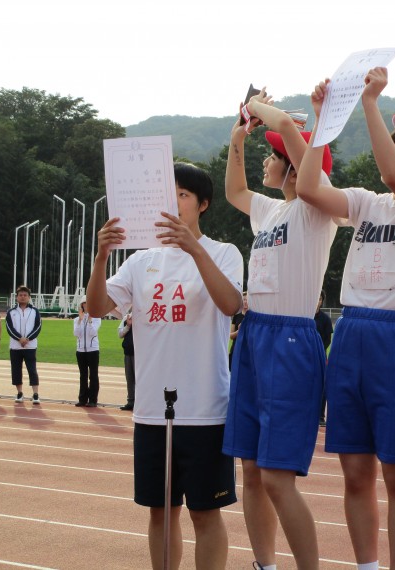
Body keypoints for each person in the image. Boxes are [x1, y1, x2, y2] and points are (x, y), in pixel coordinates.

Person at [296, 68, 395, 570]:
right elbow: (306, 189)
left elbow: (393, 175)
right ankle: (366, 565)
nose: (391, 146)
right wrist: (322, 124)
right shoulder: (365, 204)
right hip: (351, 334)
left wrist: (368, 103)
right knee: (355, 473)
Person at [87, 162, 243, 570]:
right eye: (167, 194)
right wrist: (102, 255)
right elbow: (98, 306)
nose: (173, 202)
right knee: (160, 512)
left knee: (205, 514)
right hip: (153, 411)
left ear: (202, 204)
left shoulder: (225, 253)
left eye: (183, 195)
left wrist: (193, 247)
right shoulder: (141, 261)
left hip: (205, 409)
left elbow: (231, 304)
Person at [223, 89, 336, 570]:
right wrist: (237, 138)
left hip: (291, 339)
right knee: (250, 469)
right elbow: (233, 192)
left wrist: (256, 110)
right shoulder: (270, 211)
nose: (269, 162)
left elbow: (291, 134)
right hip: (254, 335)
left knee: (276, 477)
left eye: (273, 155)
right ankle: (264, 564)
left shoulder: (317, 205)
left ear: (295, 165)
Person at [6, 285, 43, 404]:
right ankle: (20, 393)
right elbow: (9, 328)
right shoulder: (11, 312)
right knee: (16, 370)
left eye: (25, 295)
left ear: (29, 297)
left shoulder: (34, 311)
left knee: (32, 369)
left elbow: (38, 327)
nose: (22, 297)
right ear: (16, 297)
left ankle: (35, 394)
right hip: (15, 346)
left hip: (30, 346)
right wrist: (19, 339)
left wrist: (27, 339)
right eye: (20, 295)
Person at [74, 295, 101, 407]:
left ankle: (93, 400)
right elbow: (76, 333)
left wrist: (89, 322)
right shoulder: (77, 319)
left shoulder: (96, 318)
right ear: (82, 305)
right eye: (84, 303)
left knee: (93, 375)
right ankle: (82, 399)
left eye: (88, 303)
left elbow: (93, 332)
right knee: (83, 375)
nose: (86, 305)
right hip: (80, 350)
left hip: (93, 350)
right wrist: (80, 321)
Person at [315, 289, 333, 427]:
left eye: (320, 299)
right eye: (316, 298)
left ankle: (321, 416)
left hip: (321, 356)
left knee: (322, 386)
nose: (317, 301)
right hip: (305, 356)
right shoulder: (305, 316)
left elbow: (328, 339)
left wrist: (319, 349)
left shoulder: (325, 319)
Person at [118, 311, 135, 411]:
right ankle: (131, 401)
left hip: (139, 354)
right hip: (128, 352)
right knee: (129, 378)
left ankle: (139, 402)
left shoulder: (143, 317)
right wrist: (128, 326)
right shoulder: (126, 318)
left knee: (139, 379)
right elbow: (120, 334)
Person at [228, 291, 247, 370]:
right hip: (235, 350)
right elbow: (230, 335)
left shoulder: (253, 316)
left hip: (247, 352)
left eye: (247, 300)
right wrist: (238, 332)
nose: (245, 302)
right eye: (244, 300)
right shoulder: (237, 315)